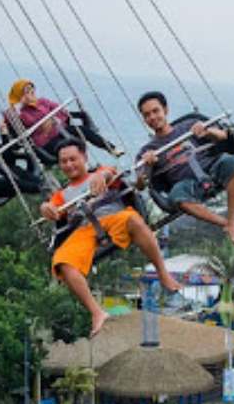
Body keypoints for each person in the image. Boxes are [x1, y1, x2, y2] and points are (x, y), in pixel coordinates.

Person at [41, 140, 182, 337]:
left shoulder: (99, 173)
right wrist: (46, 209)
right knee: (62, 262)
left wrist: (101, 176)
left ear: (84, 157)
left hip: (113, 218)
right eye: (63, 162)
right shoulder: (62, 195)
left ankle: (163, 273)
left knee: (134, 220)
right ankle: (97, 313)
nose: (68, 165)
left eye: (73, 159)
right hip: (85, 230)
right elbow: (50, 206)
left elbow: (110, 173)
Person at [135, 91, 234, 246]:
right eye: (147, 115)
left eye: (156, 111)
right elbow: (141, 184)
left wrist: (207, 131)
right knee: (177, 197)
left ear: (165, 110)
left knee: (232, 162)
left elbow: (224, 136)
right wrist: (147, 165)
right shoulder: (147, 150)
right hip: (186, 183)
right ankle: (227, 223)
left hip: (210, 168)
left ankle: (232, 220)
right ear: (144, 119)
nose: (153, 117)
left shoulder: (188, 126)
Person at [6, 79, 122, 164]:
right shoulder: (20, 113)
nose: (31, 93)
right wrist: (21, 106)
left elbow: (61, 111)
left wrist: (53, 119)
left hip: (59, 129)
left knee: (83, 131)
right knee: (64, 148)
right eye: (26, 92)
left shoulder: (43, 102)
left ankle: (111, 148)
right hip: (45, 141)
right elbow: (24, 124)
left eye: (31, 90)